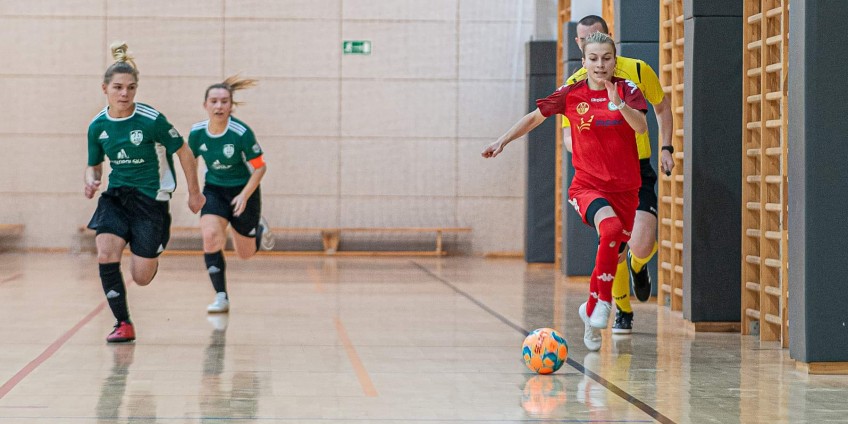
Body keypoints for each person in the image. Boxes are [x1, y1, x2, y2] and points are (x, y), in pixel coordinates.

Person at [483, 32, 647, 351]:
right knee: (610, 228)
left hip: (626, 188)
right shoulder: (571, 93)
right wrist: (502, 141)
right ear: (583, 62)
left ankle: (589, 310)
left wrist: (619, 105)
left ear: (615, 61)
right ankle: (600, 306)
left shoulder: (627, 89)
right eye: (594, 58)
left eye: (607, 58)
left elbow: (641, 126)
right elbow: (534, 118)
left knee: (616, 250)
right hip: (587, 186)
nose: (600, 64)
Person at [563, 15, 675, 334]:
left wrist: (667, 147)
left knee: (641, 244)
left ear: (610, 40)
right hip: (602, 174)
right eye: (586, 44)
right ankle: (622, 310)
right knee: (615, 239)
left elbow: (662, 108)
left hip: (638, 167)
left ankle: (639, 267)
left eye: (599, 41)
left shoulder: (637, 71)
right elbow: (569, 137)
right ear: (580, 48)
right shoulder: (574, 87)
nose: (596, 53)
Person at [85, 42, 205, 343]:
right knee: (105, 252)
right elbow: (94, 165)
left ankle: (154, 246)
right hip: (116, 197)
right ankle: (123, 323)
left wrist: (194, 193)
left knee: (141, 277)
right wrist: (91, 179)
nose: (124, 94)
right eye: (118, 87)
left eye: (131, 87)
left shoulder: (152, 120)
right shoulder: (97, 126)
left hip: (150, 201)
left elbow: (184, 151)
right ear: (105, 88)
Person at [188, 76, 274, 314]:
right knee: (211, 235)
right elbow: (190, 161)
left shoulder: (241, 132)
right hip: (214, 189)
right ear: (205, 104)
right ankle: (221, 296)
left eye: (224, 101)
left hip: (243, 190)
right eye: (214, 101)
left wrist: (245, 195)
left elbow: (260, 167)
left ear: (231, 106)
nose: (219, 106)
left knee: (245, 254)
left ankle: (257, 230)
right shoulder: (197, 133)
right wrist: (194, 192)